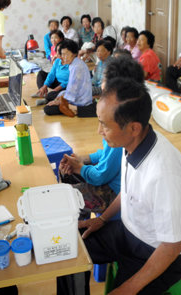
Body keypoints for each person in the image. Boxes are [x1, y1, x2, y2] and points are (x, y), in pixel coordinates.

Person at [58, 78, 181, 294]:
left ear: (133, 128)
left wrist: (128, 288)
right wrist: (102, 219)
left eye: (104, 124)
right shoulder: (131, 143)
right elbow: (129, 190)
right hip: (129, 231)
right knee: (68, 250)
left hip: (158, 252)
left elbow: (171, 247)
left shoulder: (165, 173)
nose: (99, 131)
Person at [58, 57, 145, 219]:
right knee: (67, 175)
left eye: (104, 90)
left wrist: (78, 167)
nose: (100, 92)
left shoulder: (121, 132)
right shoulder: (121, 124)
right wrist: (84, 158)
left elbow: (100, 176)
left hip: (114, 192)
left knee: (65, 197)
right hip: (111, 182)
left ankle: (81, 232)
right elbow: (106, 153)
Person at [44, 39, 96, 118]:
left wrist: (59, 101)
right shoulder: (75, 63)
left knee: (48, 109)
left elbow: (73, 90)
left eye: (67, 54)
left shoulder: (76, 67)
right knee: (52, 96)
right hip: (77, 96)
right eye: (63, 54)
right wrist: (60, 97)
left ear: (74, 53)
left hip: (80, 101)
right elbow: (71, 88)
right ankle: (66, 104)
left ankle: (73, 108)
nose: (64, 57)